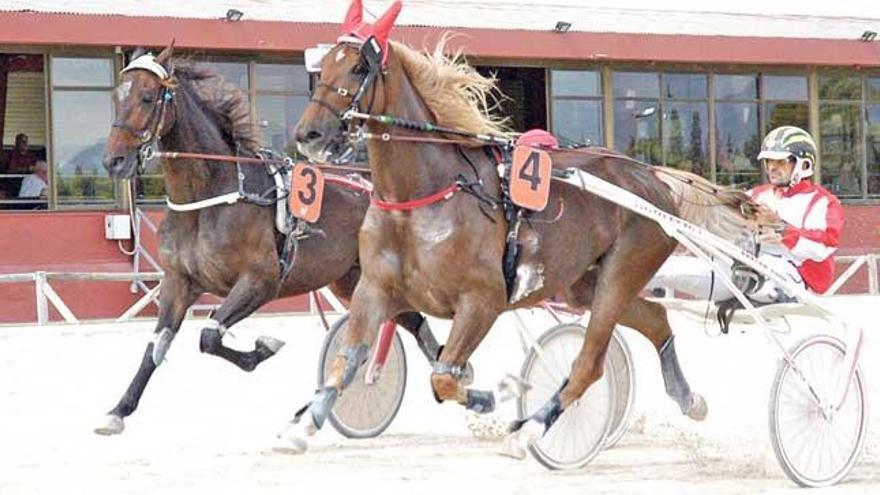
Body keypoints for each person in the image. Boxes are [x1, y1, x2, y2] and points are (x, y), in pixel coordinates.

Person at [646, 126, 844, 304]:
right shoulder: (756, 195)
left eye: (780, 161)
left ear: (804, 165)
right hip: (742, 272)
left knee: (761, 263)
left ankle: (758, 286)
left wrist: (780, 228)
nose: (772, 167)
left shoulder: (824, 202)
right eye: (768, 161)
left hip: (795, 281)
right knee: (664, 267)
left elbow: (824, 246)